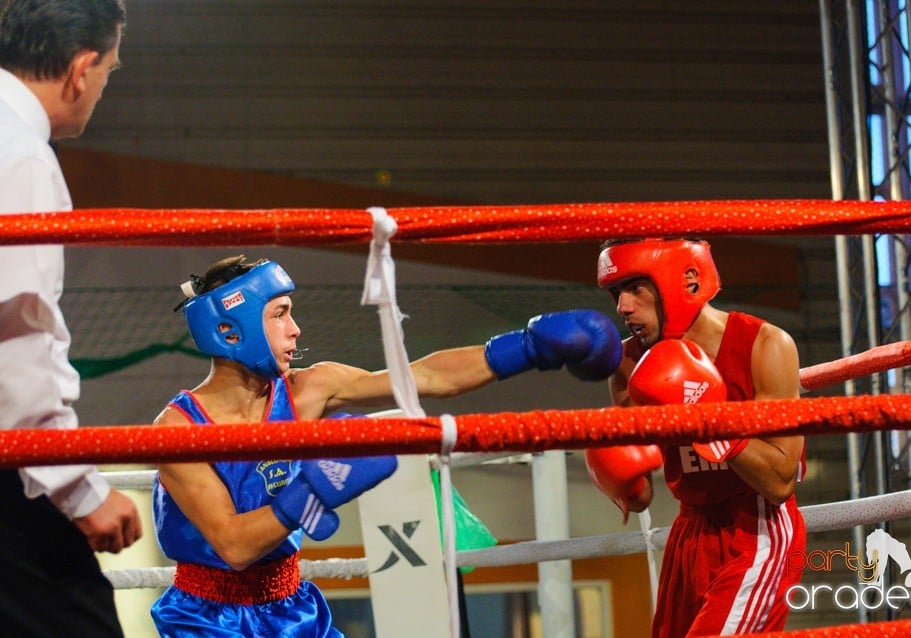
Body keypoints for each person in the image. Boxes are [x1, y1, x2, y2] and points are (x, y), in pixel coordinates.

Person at [150, 255, 623, 637]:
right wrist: (311, 495)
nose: (295, 329)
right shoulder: (178, 429)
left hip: (292, 607)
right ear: (232, 330)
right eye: (279, 314)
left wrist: (529, 347)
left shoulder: (306, 390)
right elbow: (233, 546)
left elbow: (426, 377)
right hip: (208, 619)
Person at [0, 2, 142, 637]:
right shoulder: (21, 155)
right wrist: (79, 490)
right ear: (81, 69)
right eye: (110, 71)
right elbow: (15, 341)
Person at [584, 238, 806, 637]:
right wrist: (614, 470)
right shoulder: (627, 363)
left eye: (636, 287)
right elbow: (641, 498)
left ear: (686, 280)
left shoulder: (765, 345)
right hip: (689, 532)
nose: (623, 307)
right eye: (616, 293)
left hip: (756, 529)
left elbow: (780, 482)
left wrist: (710, 419)